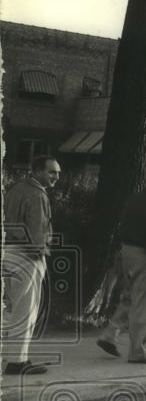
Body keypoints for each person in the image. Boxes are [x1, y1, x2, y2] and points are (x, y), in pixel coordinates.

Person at [97, 169, 146, 364]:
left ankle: (110, 334)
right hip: (145, 255)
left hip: (126, 251)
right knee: (143, 304)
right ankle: (137, 350)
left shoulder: (133, 199)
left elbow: (123, 227)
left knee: (129, 297)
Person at [2, 155, 61, 375]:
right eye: (52, 172)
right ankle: (18, 361)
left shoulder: (15, 189)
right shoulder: (37, 195)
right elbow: (37, 230)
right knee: (27, 310)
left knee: (15, 308)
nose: (56, 177)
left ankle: (15, 357)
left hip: (8, 251)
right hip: (27, 255)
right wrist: (40, 254)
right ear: (37, 172)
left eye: (57, 173)